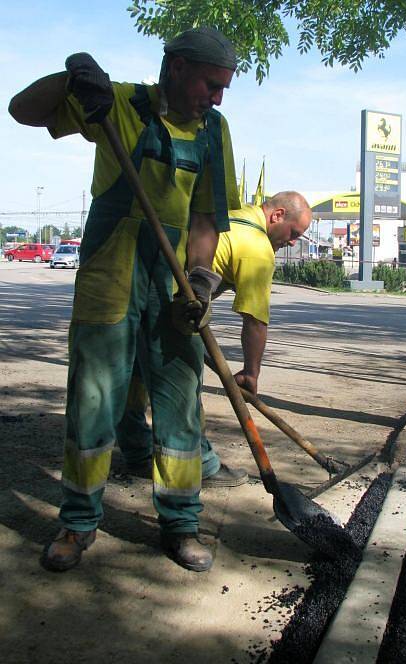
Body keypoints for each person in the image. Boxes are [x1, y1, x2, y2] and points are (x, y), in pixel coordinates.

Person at [9, 27, 241, 573]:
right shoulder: (116, 104)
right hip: (110, 271)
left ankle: (182, 524)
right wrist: (73, 76)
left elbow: (207, 218)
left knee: (181, 400)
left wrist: (203, 279)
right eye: (212, 84)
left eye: (225, 88)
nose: (218, 97)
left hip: (176, 283)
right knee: (93, 401)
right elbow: (23, 110)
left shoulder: (214, 130)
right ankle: (77, 522)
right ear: (178, 66)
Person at [117, 192, 312, 480]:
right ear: (278, 215)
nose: (293, 241)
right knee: (183, 383)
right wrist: (251, 372)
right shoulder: (257, 248)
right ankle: (202, 465)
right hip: (173, 297)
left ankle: (137, 451)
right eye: (294, 233)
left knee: (135, 373)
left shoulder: (235, 213)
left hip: (137, 282)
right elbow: (255, 320)